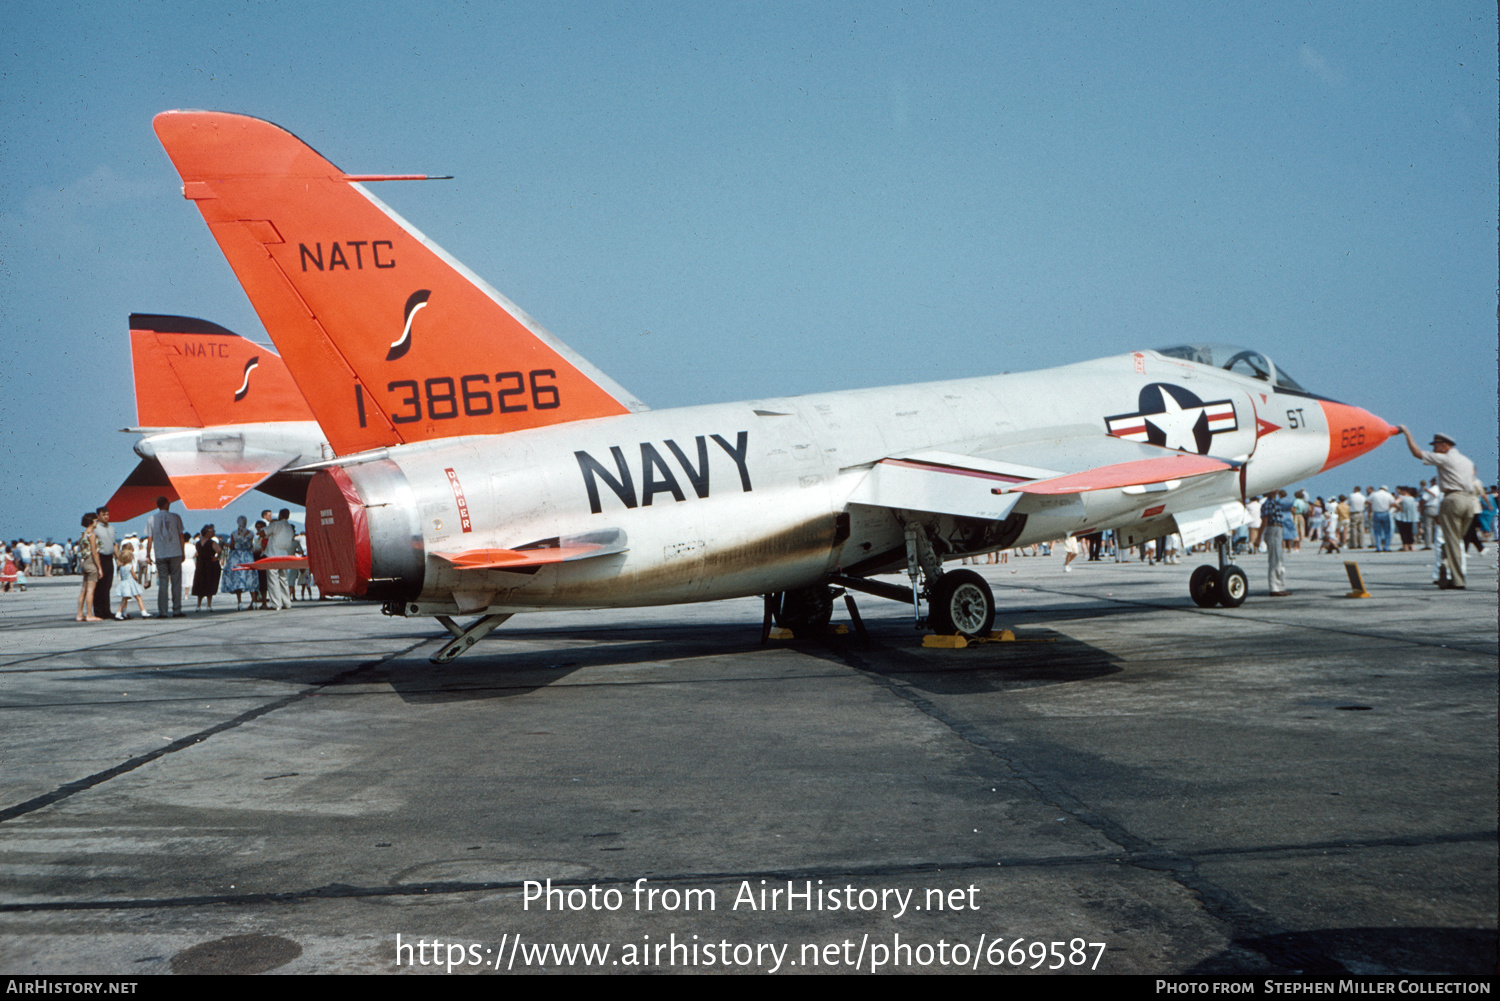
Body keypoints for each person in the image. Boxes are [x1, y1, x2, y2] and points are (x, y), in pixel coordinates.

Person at [1398, 427, 1480, 589]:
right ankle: (1449, 565)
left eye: (1435, 445)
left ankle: (1457, 580)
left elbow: (1417, 453)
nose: (1433, 449)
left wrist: (1407, 433)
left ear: (1444, 445)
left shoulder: (1445, 458)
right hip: (1469, 501)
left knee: (1452, 542)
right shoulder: (1467, 461)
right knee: (1457, 541)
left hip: (1452, 499)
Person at [145, 496, 186, 619]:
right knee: (176, 582)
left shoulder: (151, 519)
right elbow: (181, 537)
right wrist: (182, 552)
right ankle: (177, 610)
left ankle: (163, 611)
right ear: (167, 504)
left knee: (163, 583)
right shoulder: (176, 517)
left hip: (161, 553)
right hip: (175, 552)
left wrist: (148, 554)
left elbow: (149, 539)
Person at [220, 516, 259, 609]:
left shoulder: (234, 533)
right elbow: (251, 545)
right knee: (251, 577)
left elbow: (232, 546)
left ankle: (239, 602)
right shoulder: (251, 533)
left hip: (236, 556)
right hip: (248, 556)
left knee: (238, 579)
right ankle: (253, 601)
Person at [265, 509, 296, 610]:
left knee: (273, 579)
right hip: (284, 554)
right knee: (283, 579)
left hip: (273, 554)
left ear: (280, 515)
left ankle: (276, 603)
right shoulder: (290, 528)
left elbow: (263, 533)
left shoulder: (276, 525)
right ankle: (287, 602)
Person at [75, 512, 103, 622]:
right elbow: (95, 553)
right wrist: (99, 568)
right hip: (91, 562)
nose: (97, 522)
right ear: (91, 522)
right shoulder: (92, 535)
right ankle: (89, 614)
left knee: (83, 590)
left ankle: (79, 614)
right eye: (95, 520)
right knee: (90, 591)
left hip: (85, 562)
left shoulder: (83, 534)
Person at [112, 543, 151, 619]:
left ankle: (121, 613)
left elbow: (121, 577)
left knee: (124, 599)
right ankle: (143, 612)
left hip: (124, 583)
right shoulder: (130, 566)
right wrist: (136, 580)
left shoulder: (121, 567)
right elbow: (134, 575)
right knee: (138, 598)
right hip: (131, 583)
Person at [1262, 491, 1289, 596]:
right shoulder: (1268, 503)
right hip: (1272, 528)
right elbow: (1265, 520)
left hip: (1278, 529)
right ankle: (1274, 588)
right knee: (1274, 559)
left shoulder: (1275, 502)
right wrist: (1259, 536)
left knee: (1279, 559)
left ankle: (1280, 586)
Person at [92, 506, 117, 619]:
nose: (106, 516)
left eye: (107, 514)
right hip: (100, 558)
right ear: (98, 516)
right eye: (103, 515)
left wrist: (119, 558)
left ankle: (107, 610)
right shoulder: (95, 528)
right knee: (99, 586)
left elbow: (114, 545)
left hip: (109, 559)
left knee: (107, 586)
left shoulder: (111, 528)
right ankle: (98, 611)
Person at [192, 525, 222, 610]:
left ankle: (198, 605)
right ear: (207, 533)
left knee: (200, 584)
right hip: (210, 564)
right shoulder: (212, 542)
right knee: (210, 583)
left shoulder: (198, 543)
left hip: (201, 564)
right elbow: (219, 550)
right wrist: (217, 557)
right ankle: (208, 605)